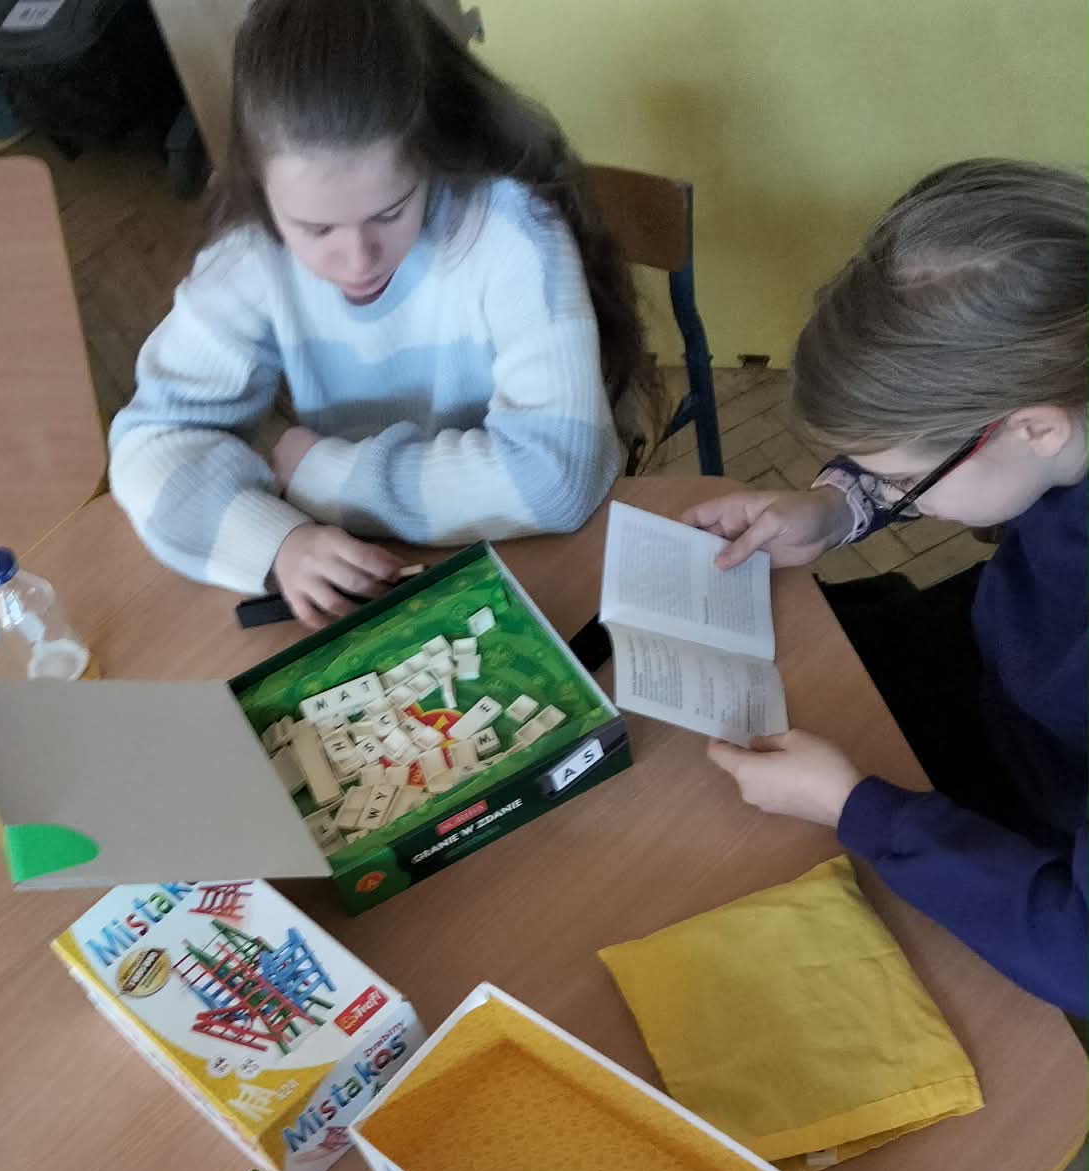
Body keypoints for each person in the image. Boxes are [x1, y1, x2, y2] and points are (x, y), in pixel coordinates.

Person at [687, 159, 1089, 1016]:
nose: (898, 492)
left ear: (1036, 426)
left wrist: (854, 807)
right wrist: (839, 508)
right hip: (1010, 678)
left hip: (1045, 830)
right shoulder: (1059, 397)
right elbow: (966, 466)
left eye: (905, 481)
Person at [108, 0, 651, 630]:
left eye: (390, 212)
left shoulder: (511, 233)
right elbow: (151, 441)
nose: (358, 259)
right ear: (259, 185)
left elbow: (557, 479)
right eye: (315, 228)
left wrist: (325, 477)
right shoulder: (250, 254)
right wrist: (277, 544)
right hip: (392, 549)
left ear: (429, 153)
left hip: (534, 552)